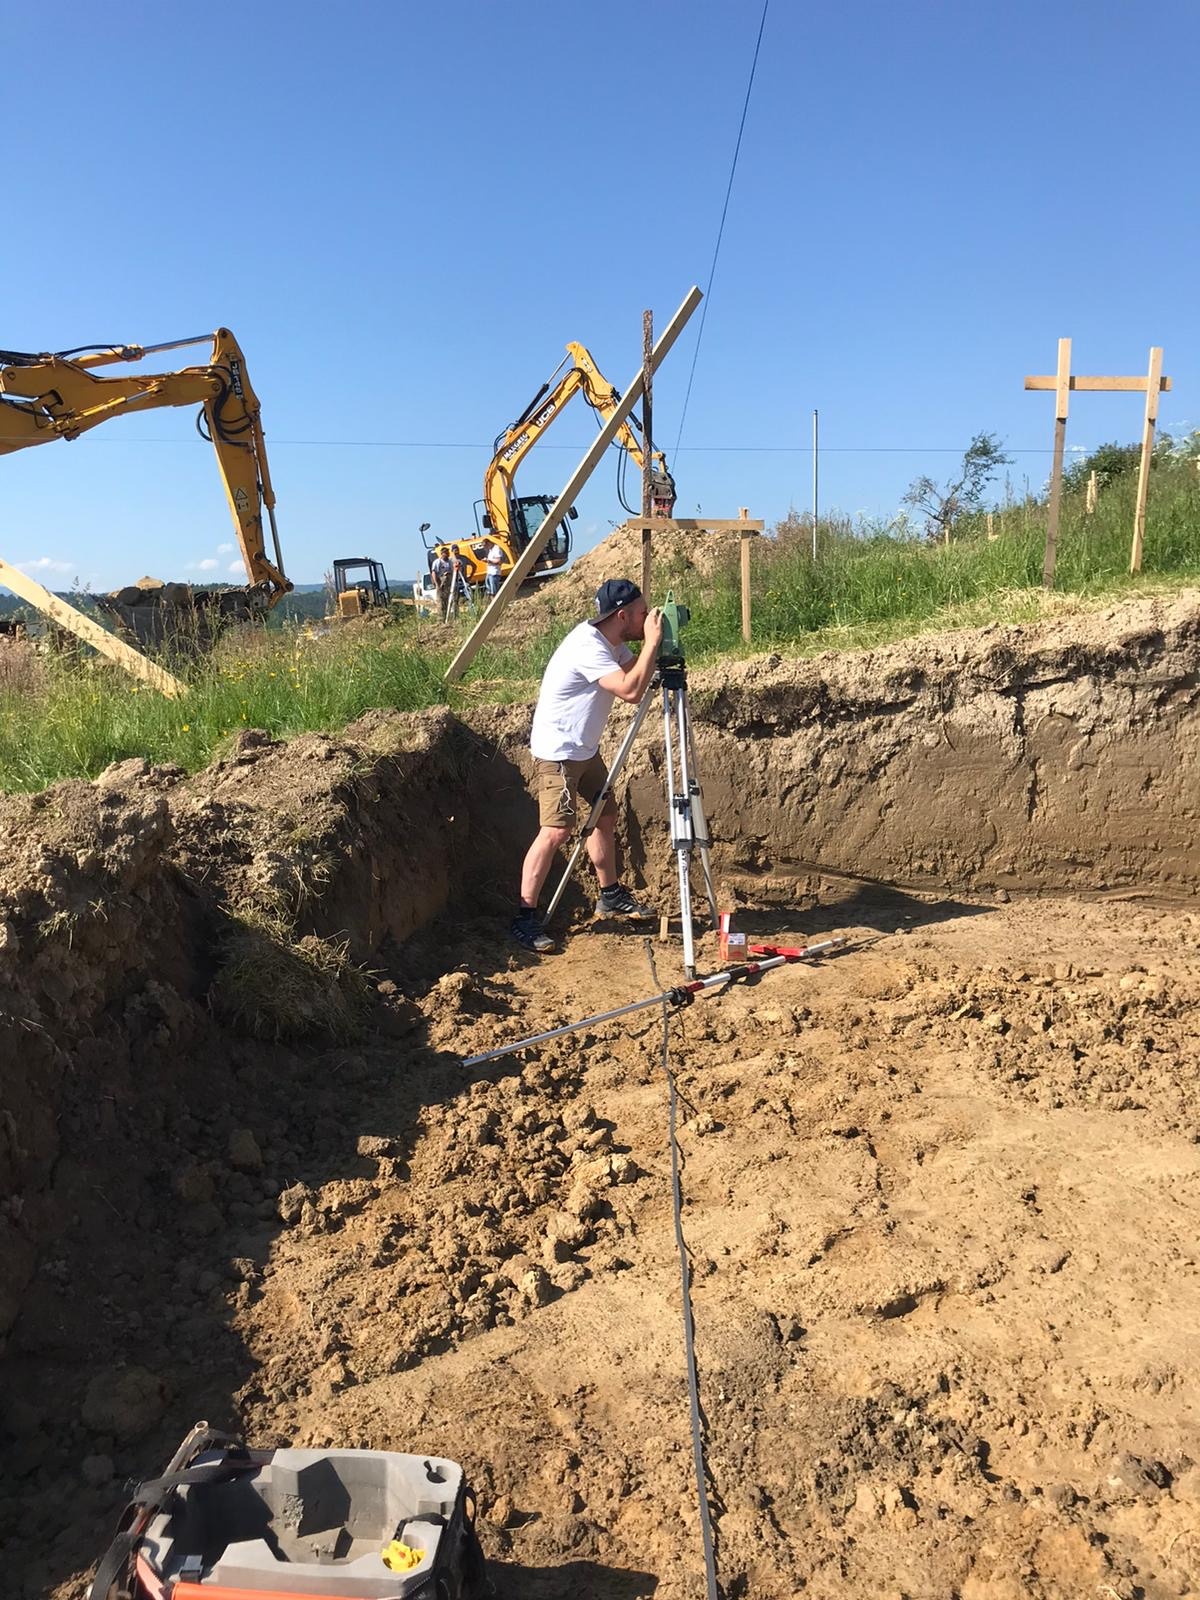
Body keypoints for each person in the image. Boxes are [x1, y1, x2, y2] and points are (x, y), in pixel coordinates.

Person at [511, 578, 664, 953]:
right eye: (642, 613)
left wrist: (656, 652)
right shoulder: (588, 646)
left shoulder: (612, 642)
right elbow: (630, 690)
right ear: (622, 616)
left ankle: (609, 894)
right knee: (556, 831)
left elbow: (637, 674)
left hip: (584, 750)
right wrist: (653, 643)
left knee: (604, 815)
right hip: (559, 753)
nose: (647, 617)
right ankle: (524, 918)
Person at [430, 550, 452, 618]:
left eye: (448, 553)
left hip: (448, 583)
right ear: (442, 554)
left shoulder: (449, 562)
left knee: (447, 600)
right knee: (441, 601)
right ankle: (441, 617)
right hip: (441, 582)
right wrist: (437, 583)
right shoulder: (437, 562)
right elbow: (434, 572)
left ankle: (447, 616)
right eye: (446, 553)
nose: (447, 554)